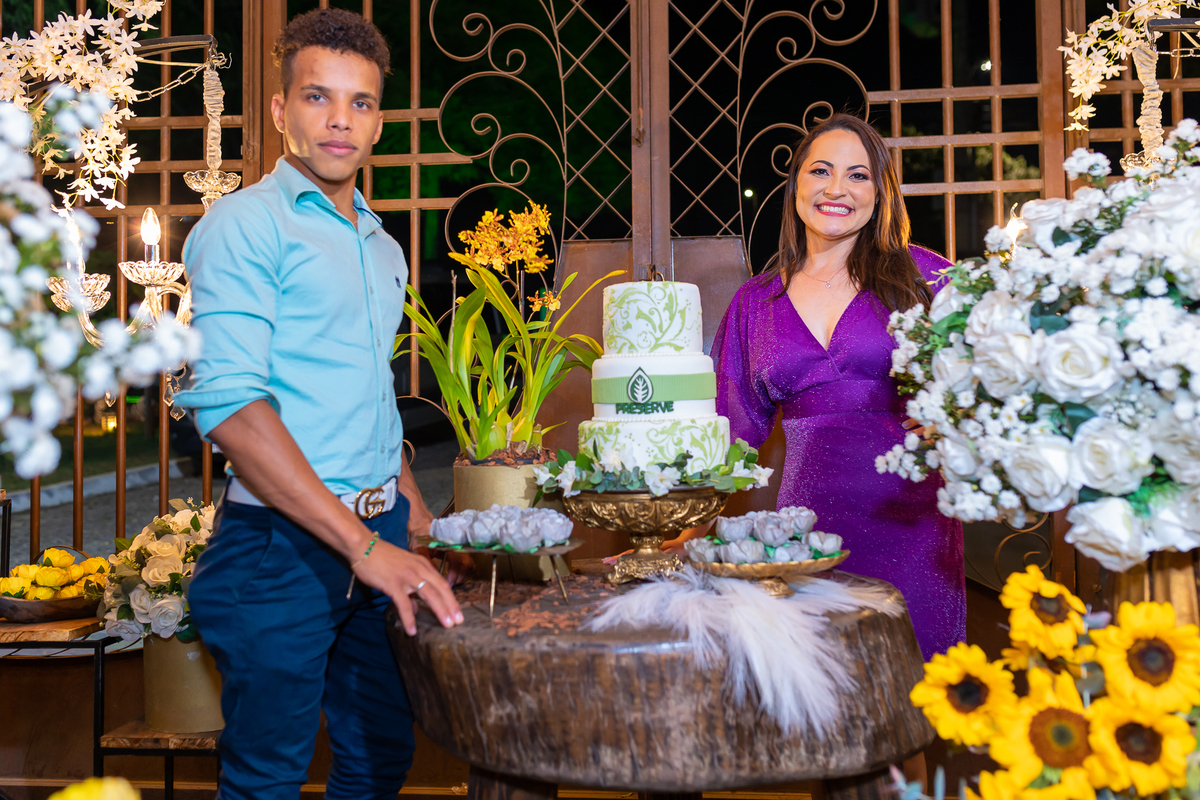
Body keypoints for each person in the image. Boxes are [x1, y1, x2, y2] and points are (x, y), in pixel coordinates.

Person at [175, 9, 464, 799]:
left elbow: (364, 388)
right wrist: (364, 548)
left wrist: (407, 504)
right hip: (281, 548)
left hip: (377, 529)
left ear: (377, 122)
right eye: (317, 96)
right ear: (280, 110)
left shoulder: (382, 245)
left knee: (379, 761)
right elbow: (232, 408)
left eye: (360, 102)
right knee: (268, 780)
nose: (340, 119)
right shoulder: (244, 225)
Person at [706, 113, 965, 661]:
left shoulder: (928, 279)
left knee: (915, 685)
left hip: (913, 521)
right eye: (820, 171)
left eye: (858, 175)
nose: (836, 189)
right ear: (796, 184)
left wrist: (956, 419)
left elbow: (998, 378)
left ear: (881, 191)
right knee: (823, 689)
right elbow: (727, 436)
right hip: (807, 532)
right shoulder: (755, 302)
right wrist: (677, 532)